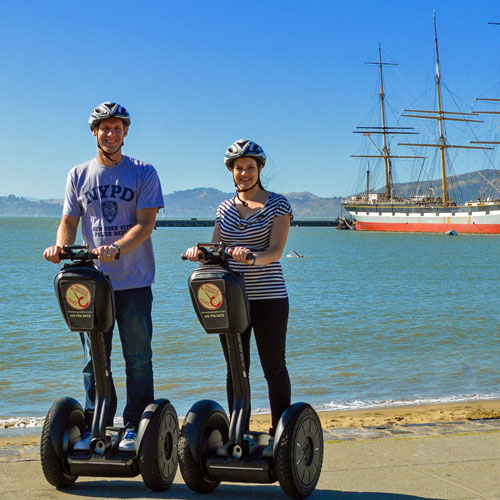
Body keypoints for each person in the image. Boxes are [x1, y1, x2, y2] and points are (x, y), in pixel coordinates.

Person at [43, 102, 164, 451]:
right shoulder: (78, 174)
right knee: (93, 359)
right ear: (94, 132)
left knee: (137, 357)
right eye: (104, 128)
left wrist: (116, 248)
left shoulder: (143, 171)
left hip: (134, 281)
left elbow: (146, 224)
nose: (110, 134)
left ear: (125, 132)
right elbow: (68, 221)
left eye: (116, 128)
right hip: (92, 284)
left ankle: (134, 425)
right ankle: (96, 422)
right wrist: (61, 249)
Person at [185, 139, 292, 436]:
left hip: (269, 297)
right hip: (232, 297)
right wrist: (199, 253)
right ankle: (238, 430)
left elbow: (276, 251)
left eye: (250, 168)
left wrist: (252, 257)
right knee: (236, 367)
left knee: (273, 367)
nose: (244, 173)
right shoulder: (224, 208)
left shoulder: (278, 204)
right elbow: (217, 248)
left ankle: (281, 431)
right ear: (231, 172)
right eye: (238, 168)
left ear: (259, 169)